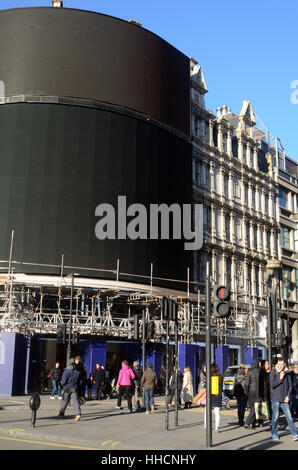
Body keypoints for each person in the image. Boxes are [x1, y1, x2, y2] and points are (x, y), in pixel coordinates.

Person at [269, 358, 298, 441]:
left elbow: (290, 386)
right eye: (279, 364)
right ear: (277, 364)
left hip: (284, 399)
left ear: (284, 364)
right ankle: (274, 433)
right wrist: (280, 378)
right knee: (275, 417)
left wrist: (288, 395)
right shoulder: (273, 372)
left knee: (289, 416)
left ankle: (295, 434)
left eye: (282, 364)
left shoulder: (287, 373)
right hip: (275, 398)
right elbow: (272, 385)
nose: (280, 366)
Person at [204, 363, 223, 432]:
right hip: (217, 396)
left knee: (207, 411)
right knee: (217, 412)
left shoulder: (210, 377)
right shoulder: (220, 376)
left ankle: (206, 426)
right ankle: (216, 427)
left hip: (210, 395)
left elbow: (207, 387)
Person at [244, 360, 261, 429]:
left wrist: (247, 392)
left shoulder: (249, 372)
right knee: (255, 408)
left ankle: (251, 424)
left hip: (251, 392)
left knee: (252, 407)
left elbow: (246, 384)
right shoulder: (260, 371)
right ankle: (248, 422)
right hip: (258, 391)